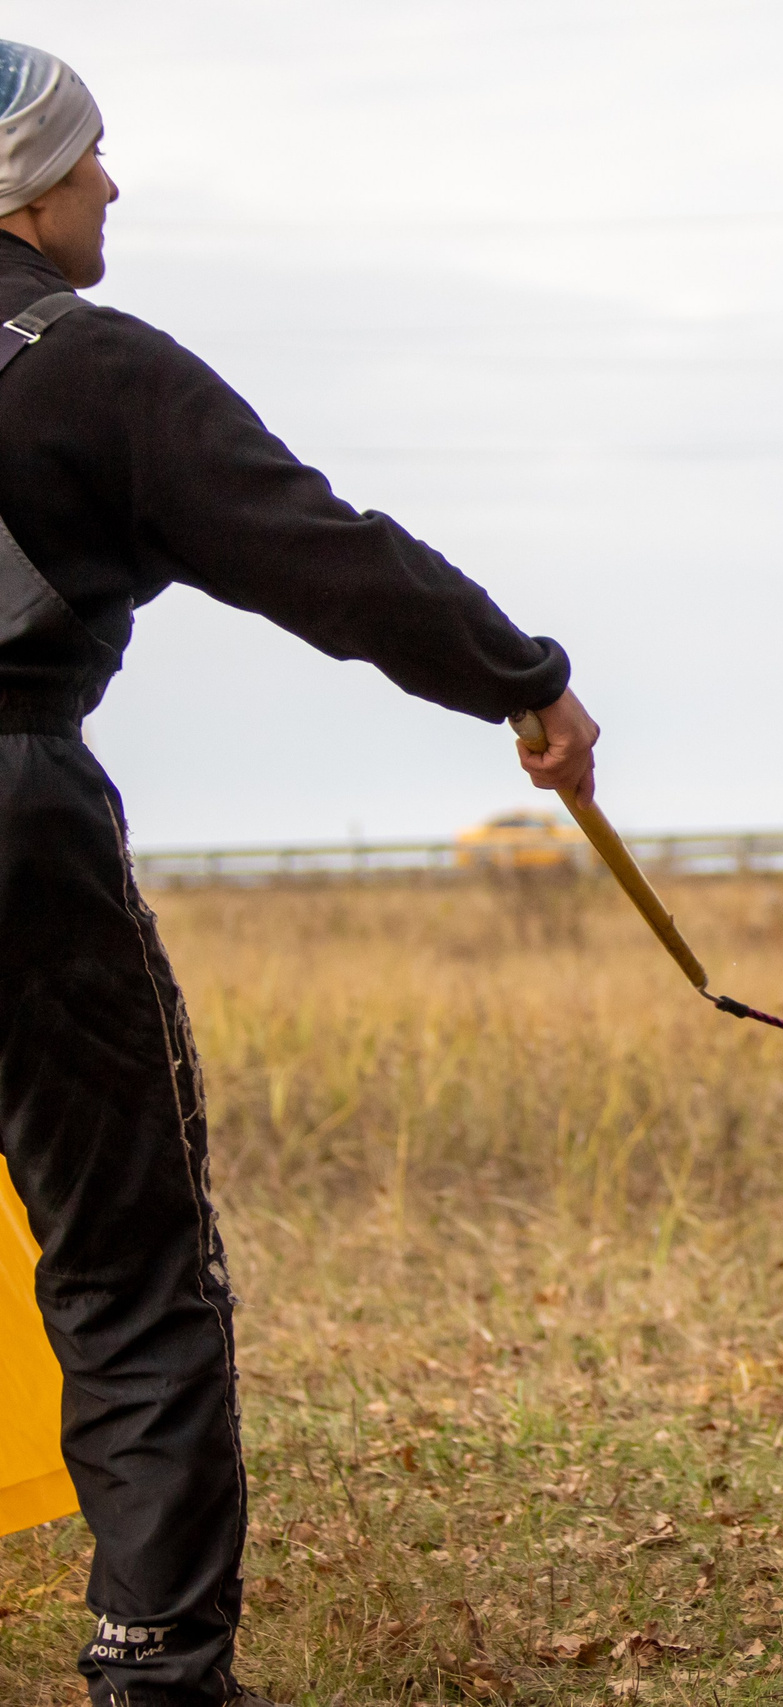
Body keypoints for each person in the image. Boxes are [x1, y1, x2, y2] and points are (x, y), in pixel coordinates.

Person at [0, 41, 597, 1707]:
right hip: (8, 825)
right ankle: (157, 1675)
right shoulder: (87, 369)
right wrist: (522, 679)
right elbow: (318, 552)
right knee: (124, 1260)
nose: (112, 187)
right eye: (92, 160)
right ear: (26, 192)